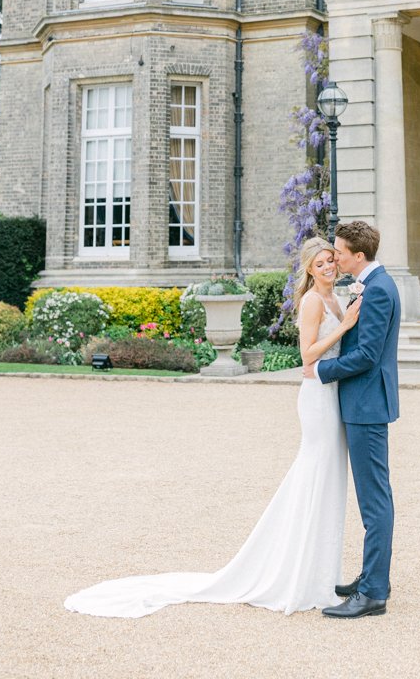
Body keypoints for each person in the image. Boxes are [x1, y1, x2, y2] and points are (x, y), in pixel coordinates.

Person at [64, 237, 360, 617]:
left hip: (334, 394)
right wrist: (345, 326)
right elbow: (307, 356)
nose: (328, 267)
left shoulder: (337, 298)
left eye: (331, 261)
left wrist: (348, 318)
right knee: (315, 473)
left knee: (330, 477)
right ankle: (299, 572)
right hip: (317, 397)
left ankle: (321, 571)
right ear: (308, 268)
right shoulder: (312, 301)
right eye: (320, 263)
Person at [304, 220, 401, 620]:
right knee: (371, 495)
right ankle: (369, 578)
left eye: (340, 252)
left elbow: (367, 357)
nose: (336, 257)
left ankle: (374, 593)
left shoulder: (377, 290)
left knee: (374, 498)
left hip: (366, 404)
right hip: (361, 402)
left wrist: (321, 372)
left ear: (358, 256)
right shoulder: (372, 284)